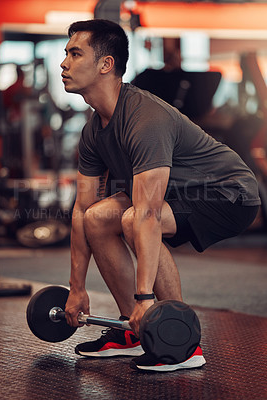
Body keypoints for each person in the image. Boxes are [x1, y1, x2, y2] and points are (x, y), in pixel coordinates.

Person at [60, 19, 260, 372]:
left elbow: (148, 214)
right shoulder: (94, 130)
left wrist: (146, 298)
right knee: (97, 218)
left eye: (75, 54)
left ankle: (179, 340)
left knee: (132, 217)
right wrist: (76, 289)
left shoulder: (144, 118)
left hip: (229, 193)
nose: (64, 63)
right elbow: (81, 209)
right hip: (177, 193)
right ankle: (132, 333)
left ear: (106, 65)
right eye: (66, 53)